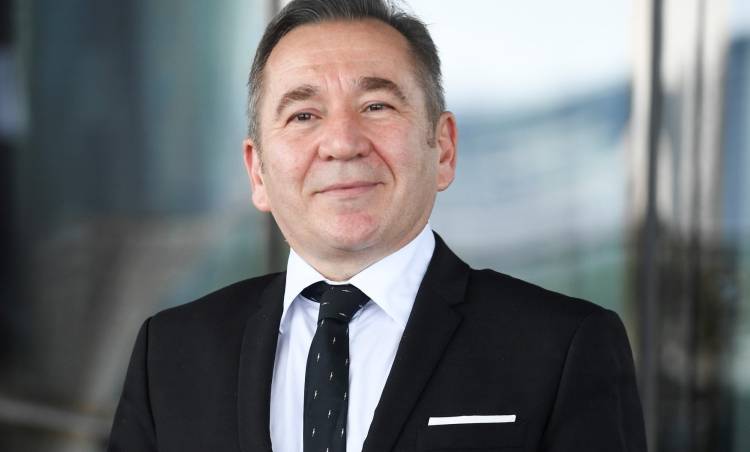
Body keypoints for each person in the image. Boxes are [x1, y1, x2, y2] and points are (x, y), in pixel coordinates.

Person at [107, 0, 647, 451]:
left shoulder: (563, 346)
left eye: (377, 106)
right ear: (258, 172)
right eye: (303, 115)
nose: (342, 143)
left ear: (443, 149)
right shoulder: (170, 352)